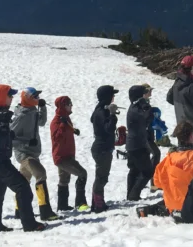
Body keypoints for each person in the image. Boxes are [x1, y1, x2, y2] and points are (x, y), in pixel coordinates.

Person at [0, 84, 45, 233]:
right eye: (9, 96)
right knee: (23, 188)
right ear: (2, 97)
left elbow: (2, 138)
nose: (12, 98)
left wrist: (8, 130)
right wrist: (7, 131)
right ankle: (29, 224)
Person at [137, 120, 193, 221]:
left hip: (172, 205)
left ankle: (151, 210)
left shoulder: (168, 159)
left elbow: (157, 183)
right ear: (191, 136)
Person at [10, 87, 60, 221]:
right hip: (24, 154)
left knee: (24, 181)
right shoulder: (22, 116)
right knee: (40, 173)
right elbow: (10, 137)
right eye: (35, 96)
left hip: (32, 152)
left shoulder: (32, 111)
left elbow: (42, 122)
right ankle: (45, 211)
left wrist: (42, 108)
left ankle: (19, 210)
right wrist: (27, 142)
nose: (38, 98)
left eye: (38, 96)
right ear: (27, 98)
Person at [51, 96, 90, 212]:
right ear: (63, 106)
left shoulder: (65, 119)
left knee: (64, 180)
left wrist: (73, 130)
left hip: (68, 154)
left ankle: (62, 205)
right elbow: (57, 138)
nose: (71, 105)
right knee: (82, 174)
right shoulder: (57, 121)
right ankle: (80, 203)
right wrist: (63, 125)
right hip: (62, 157)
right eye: (69, 104)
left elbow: (65, 130)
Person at [90, 85, 119, 213]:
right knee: (101, 177)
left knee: (102, 176)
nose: (113, 97)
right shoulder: (101, 111)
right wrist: (112, 115)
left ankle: (96, 202)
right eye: (112, 94)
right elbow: (108, 129)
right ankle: (98, 204)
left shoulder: (101, 110)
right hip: (102, 148)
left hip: (102, 147)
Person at [125, 84, 155, 201]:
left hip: (133, 144)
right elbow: (147, 117)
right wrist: (147, 107)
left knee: (134, 170)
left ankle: (130, 195)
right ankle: (133, 194)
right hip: (138, 145)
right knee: (147, 171)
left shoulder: (133, 107)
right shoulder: (135, 109)